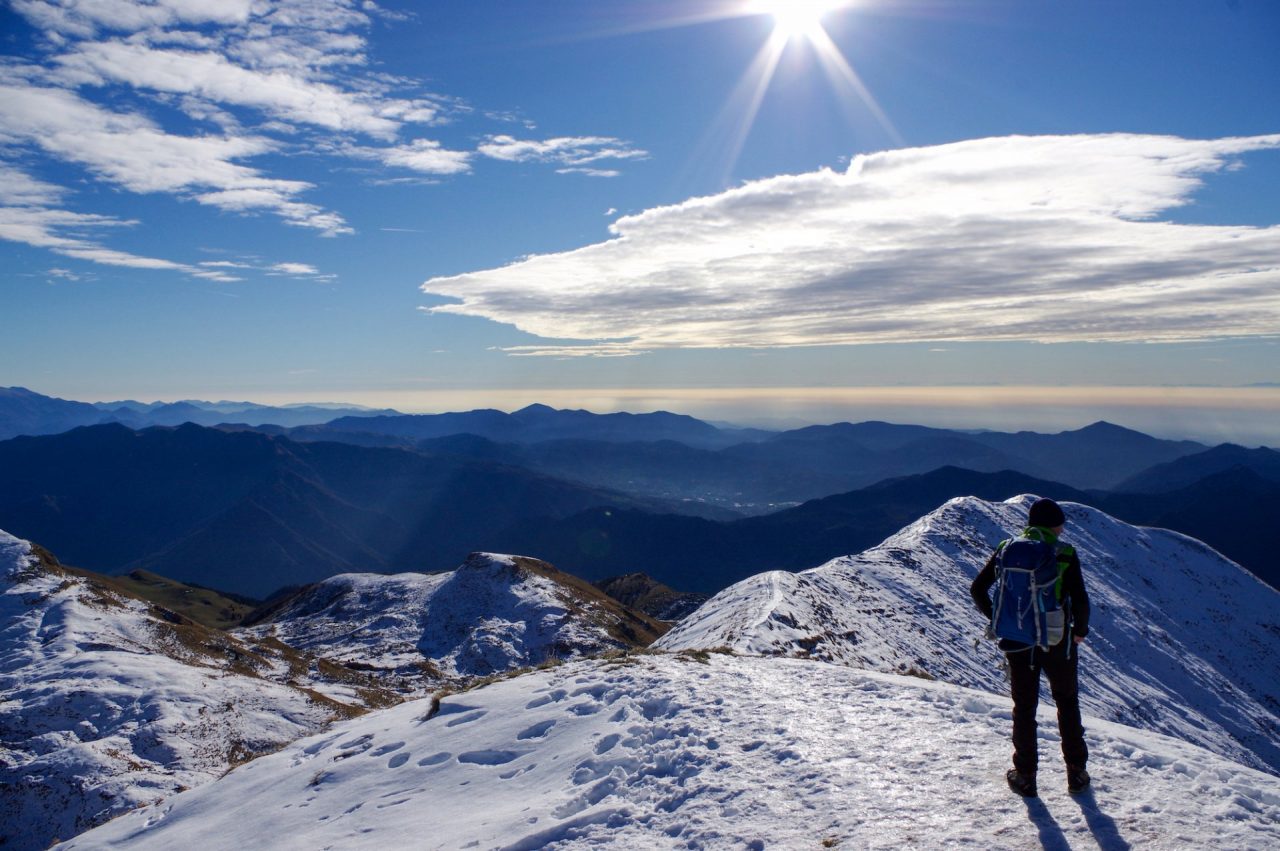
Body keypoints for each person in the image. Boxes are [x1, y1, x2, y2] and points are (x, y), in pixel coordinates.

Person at [970, 497, 1090, 798]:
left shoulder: (1006, 549)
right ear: (1055, 525)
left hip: (1017, 641)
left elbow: (978, 588)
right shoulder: (1064, 552)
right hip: (1057, 640)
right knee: (1067, 702)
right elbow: (1079, 598)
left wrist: (1001, 619)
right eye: (1060, 523)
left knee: (1024, 708)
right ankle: (1076, 773)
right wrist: (1080, 631)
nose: (1062, 528)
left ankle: (1025, 777)